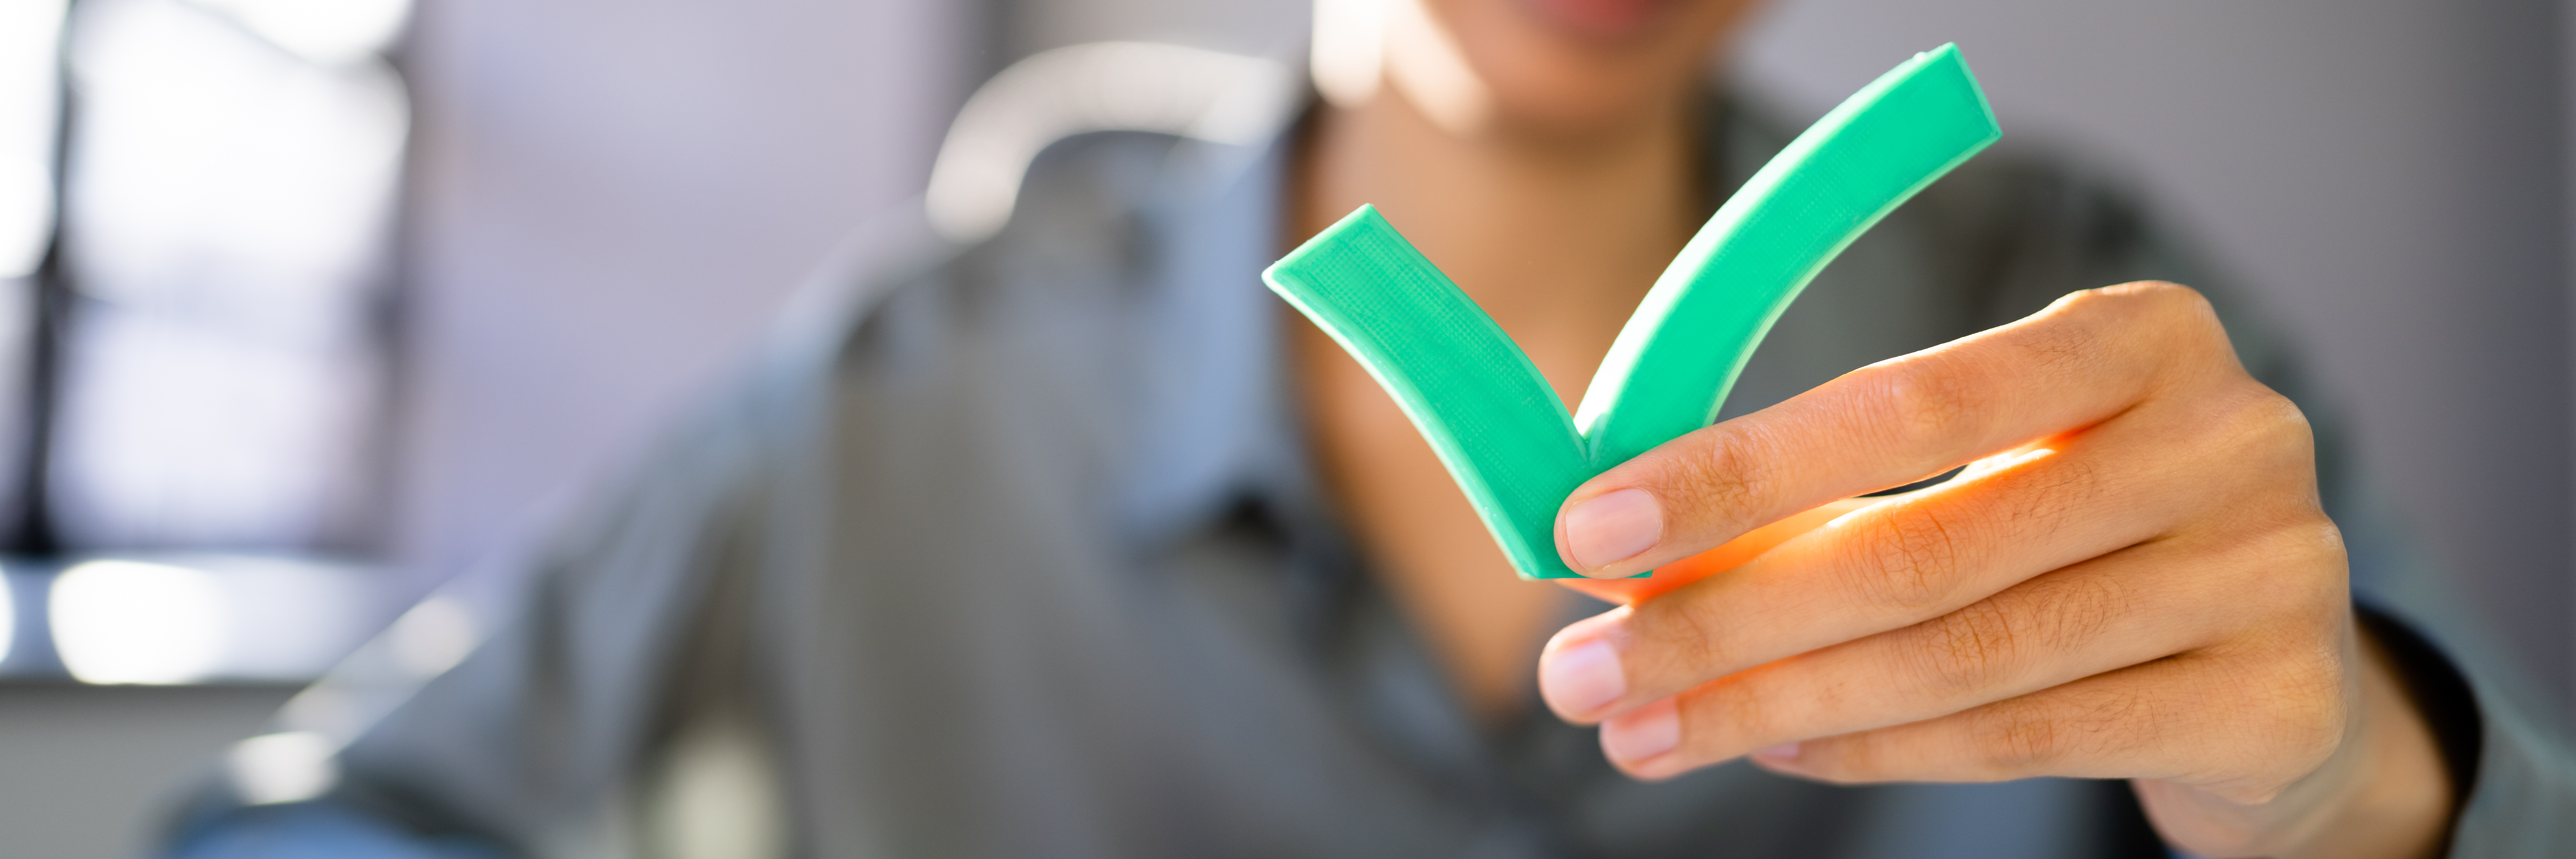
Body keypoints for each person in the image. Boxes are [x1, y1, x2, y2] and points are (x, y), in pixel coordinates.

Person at [168, 0, 2573, 857]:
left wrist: (2360, 785)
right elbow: (318, 831)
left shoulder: (2058, 302)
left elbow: (2477, 803)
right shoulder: (922, 390)